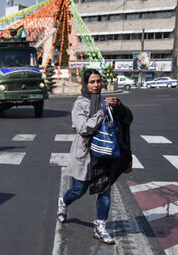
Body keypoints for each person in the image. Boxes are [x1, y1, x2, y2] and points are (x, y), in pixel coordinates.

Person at [56, 68, 132, 245]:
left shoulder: (108, 102)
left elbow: (125, 124)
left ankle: (100, 227)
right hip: (85, 154)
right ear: (85, 84)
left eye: (98, 81)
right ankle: (63, 202)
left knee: (105, 189)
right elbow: (83, 129)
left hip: (106, 155)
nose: (96, 85)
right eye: (92, 82)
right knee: (78, 190)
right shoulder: (80, 104)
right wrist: (102, 112)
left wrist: (119, 106)